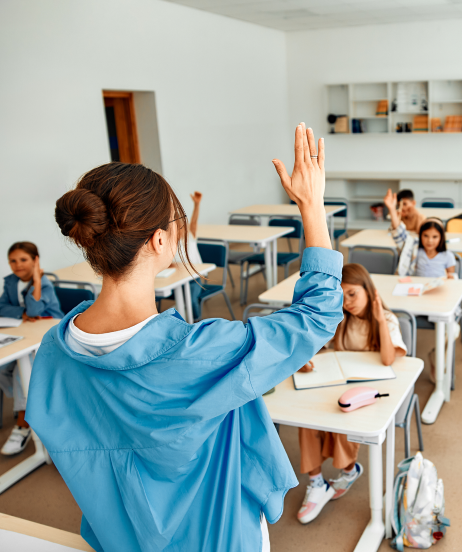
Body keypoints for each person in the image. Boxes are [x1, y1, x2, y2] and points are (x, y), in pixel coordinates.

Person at [26, 123, 342, 552]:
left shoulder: (54, 351)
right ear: (160, 241)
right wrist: (312, 206)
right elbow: (317, 314)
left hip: (122, 538)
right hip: (219, 537)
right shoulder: (199, 353)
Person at [296, 263, 407, 524]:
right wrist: (307, 358)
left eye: (353, 294)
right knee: (307, 418)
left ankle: (348, 470)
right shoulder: (341, 318)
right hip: (338, 383)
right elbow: (317, 344)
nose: (348, 302)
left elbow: (388, 359)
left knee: (340, 421)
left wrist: (380, 319)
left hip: (370, 392)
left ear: (369, 291)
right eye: (342, 296)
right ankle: (316, 483)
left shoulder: (388, 320)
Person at [0, 241, 63, 456]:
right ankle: (31, 405)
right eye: (13, 261)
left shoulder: (44, 283)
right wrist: (21, 314)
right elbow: (0, 308)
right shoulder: (10, 282)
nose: (17, 265)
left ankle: (23, 422)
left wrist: (36, 280)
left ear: (35, 261)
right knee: (0, 366)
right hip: (22, 334)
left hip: (48, 339)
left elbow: (34, 309)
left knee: (19, 372)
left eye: (23, 260)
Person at [170, 190, 204, 321]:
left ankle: (196, 320)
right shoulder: (170, 244)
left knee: (191, 297)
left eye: (181, 225)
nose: (180, 228)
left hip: (194, 278)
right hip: (177, 278)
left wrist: (196, 205)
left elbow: (194, 221)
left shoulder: (190, 236)